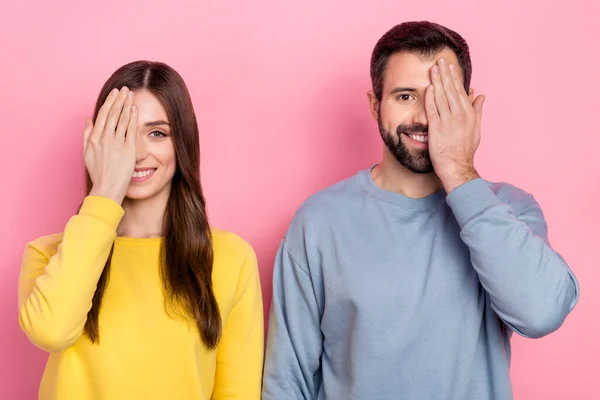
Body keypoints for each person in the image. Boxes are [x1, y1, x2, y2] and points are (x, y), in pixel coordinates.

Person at [262, 21, 579, 400]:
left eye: (441, 98)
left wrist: (459, 172)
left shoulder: (508, 209)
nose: (425, 117)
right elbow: (287, 380)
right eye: (405, 96)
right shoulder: (318, 222)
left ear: (467, 106)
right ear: (375, 104)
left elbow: (542, 313)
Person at [18, 61, 264, 400]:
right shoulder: (48, 255)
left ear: (182, 144)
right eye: (120, 134)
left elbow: (238, 392)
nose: (136, 152)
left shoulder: (230, 258)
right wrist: (105, 192)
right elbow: (51, 331)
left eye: (157, 133)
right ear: (97, 143)